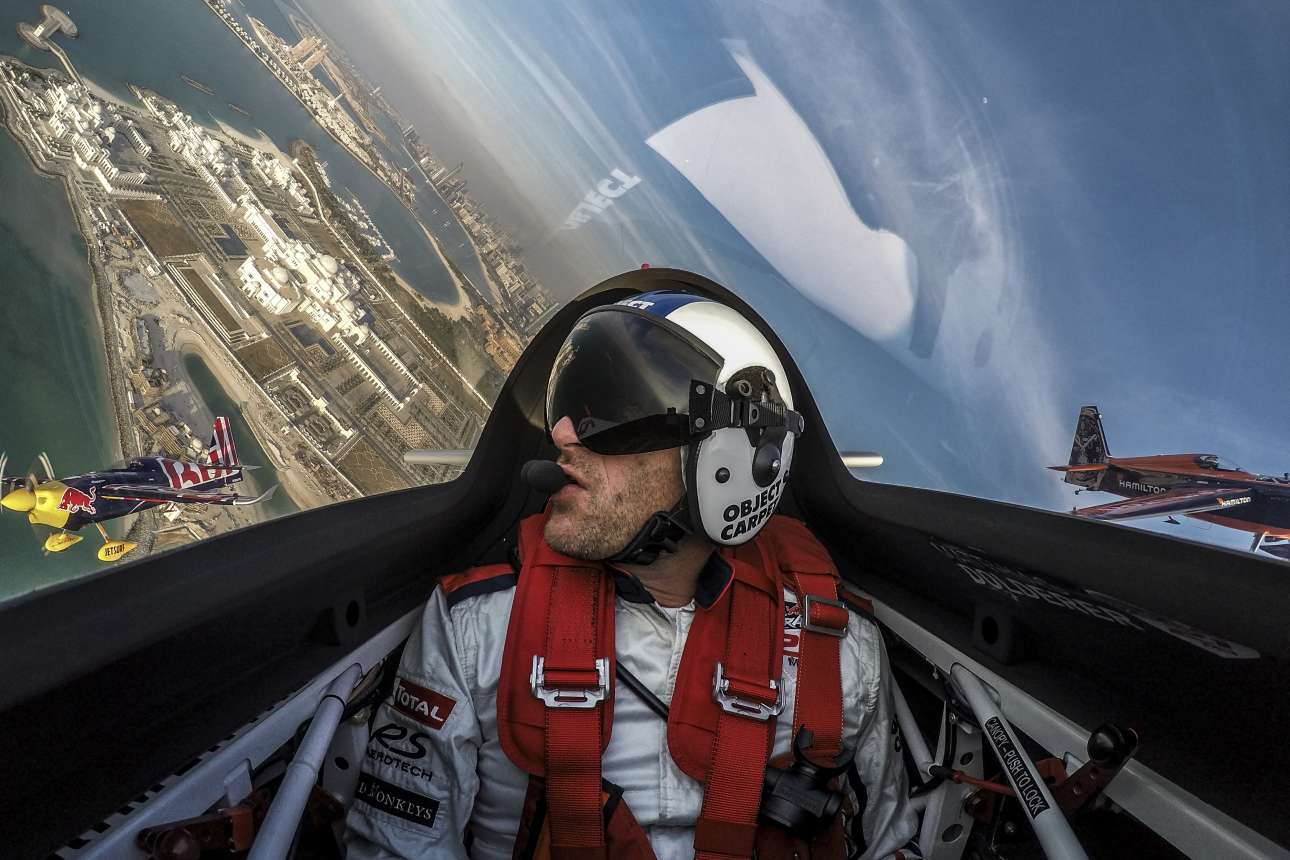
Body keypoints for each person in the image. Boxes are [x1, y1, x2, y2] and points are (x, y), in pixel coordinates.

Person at [345, 291, 919, 859]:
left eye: (614, 415)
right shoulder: (478, 628)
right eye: (570, 408)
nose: (563, 434)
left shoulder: (839, 653)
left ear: (731, 461)